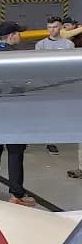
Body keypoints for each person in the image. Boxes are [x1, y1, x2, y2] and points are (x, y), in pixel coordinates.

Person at [0, 21, 35, 206]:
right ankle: (16, 195)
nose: (20, 36)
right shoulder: (19, 56)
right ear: (12, 36)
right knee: (15, 152)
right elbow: (24, 83)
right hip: (14, 111)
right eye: (19, 33)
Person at [35, 16, 74, 156]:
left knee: (60, 112)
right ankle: (49, 141)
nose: (52, 30)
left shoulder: (69, 45)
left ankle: (57, 136)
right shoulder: (40, 45)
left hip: (63, 84)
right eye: (50, 27)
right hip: (46, 85)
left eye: (55, 27)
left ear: (61, 27)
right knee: (47, 112)